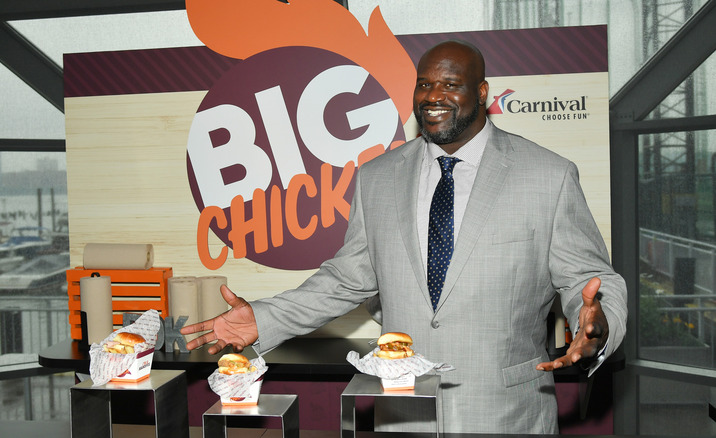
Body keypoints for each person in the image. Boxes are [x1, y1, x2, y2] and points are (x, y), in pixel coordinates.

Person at [182, 40, 627, 434]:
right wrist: (264, 319)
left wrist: (597, 325)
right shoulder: (377, 178)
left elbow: (587, 279)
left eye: (450, 84)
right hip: (404, 412)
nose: (434, 96)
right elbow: (346, 278)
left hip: (507, 414)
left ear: (482, 93)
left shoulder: (547, 175)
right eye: (424, 84)